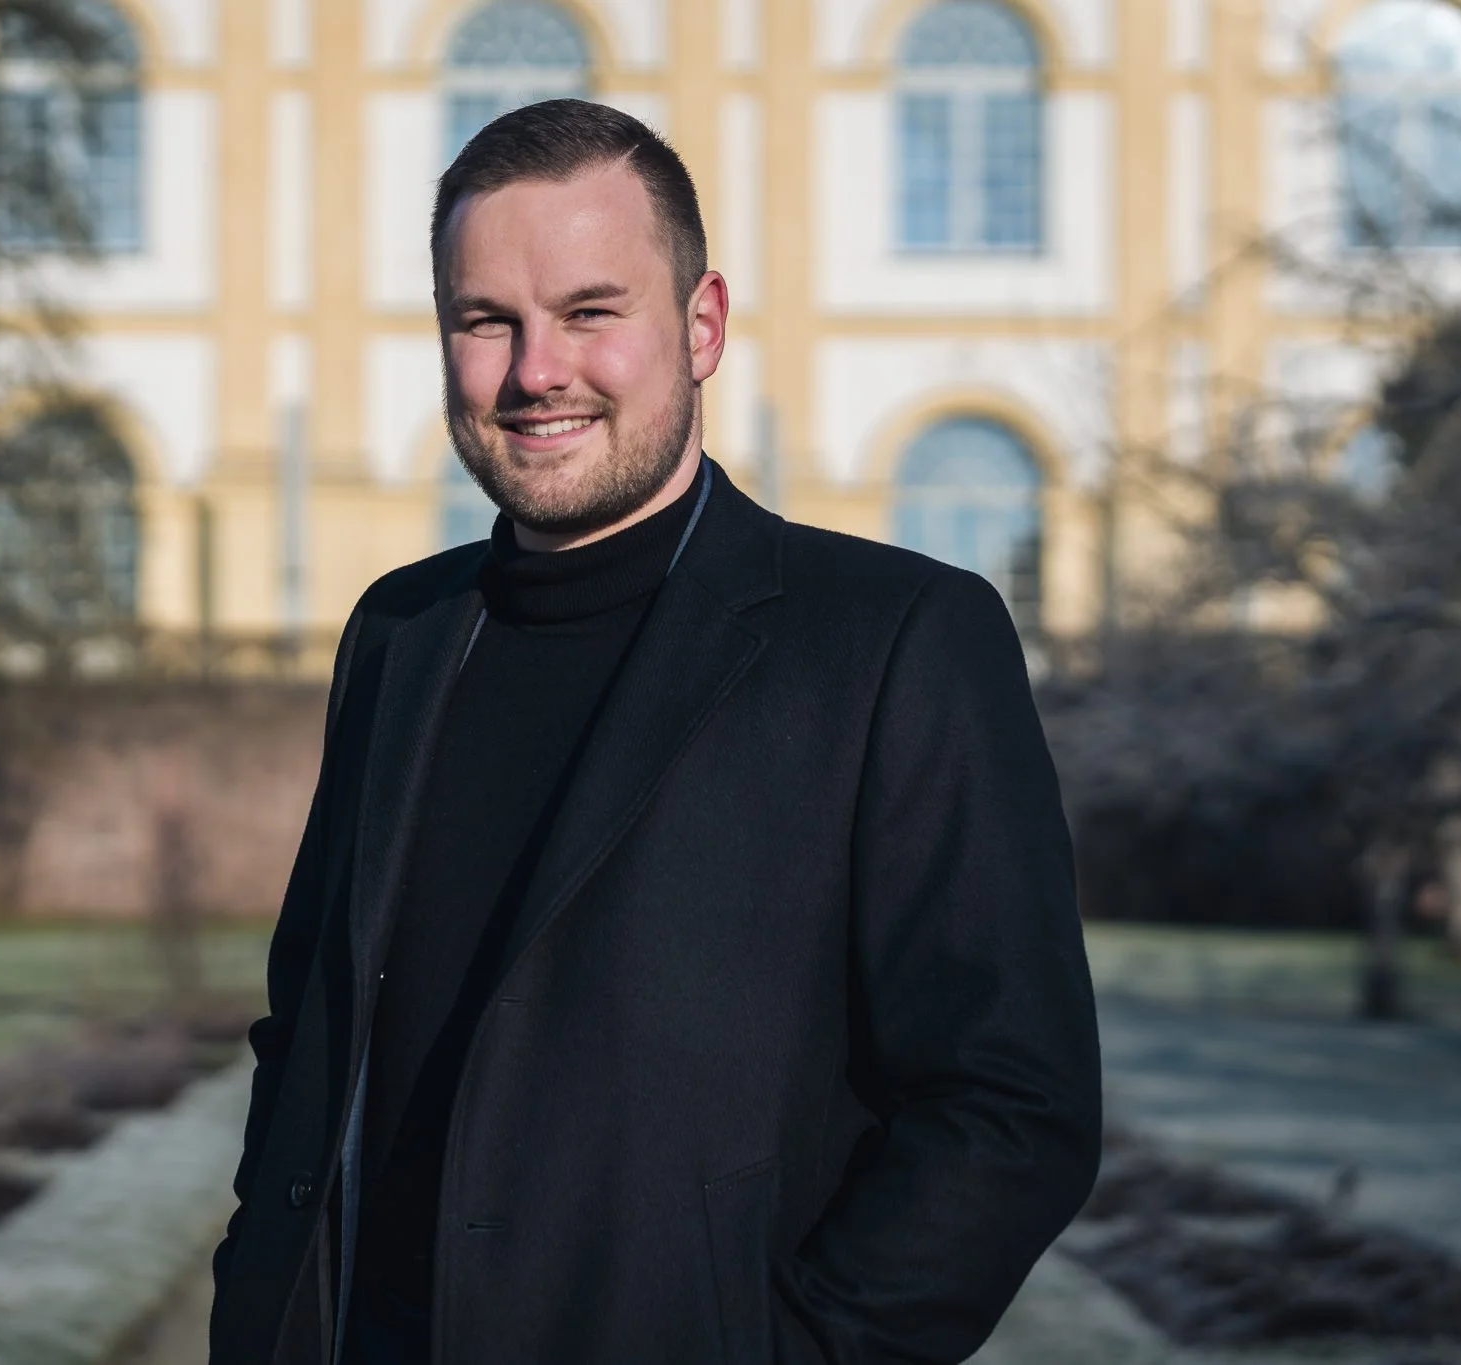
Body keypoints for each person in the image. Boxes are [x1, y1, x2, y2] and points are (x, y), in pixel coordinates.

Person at [209, 99, 1100, 1365]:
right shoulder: (400, 632)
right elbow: (306, 1030)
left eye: (588, 312)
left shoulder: (895, 640)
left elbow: (1012, 1107)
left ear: (701, 327)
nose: (534, 371)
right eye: (486, 322)